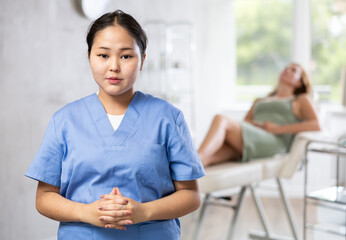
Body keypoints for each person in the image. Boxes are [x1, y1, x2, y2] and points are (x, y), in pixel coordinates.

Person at [25, 10, 205, 239]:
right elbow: (44, 198)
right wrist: (84, 212)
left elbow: (191, 195)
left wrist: (144, 211)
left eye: (126, 56)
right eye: (103, 55)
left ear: (142, 60)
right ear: (89, 56)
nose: (114, 66)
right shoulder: (64, 120)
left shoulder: (167, 117)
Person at [198, 63, 320, 167]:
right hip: (253, 135)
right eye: (286, 68)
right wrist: (257, 125)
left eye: (293, 70)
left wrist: (277, 129)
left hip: (274, 141)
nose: (287, 70)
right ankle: (186, 182)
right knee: (210, 158)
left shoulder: (300, 100)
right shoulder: (260, 100)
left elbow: (316, 125)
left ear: (300, 82)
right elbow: (246, 121)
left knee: (220, 119)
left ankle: (193, 160)